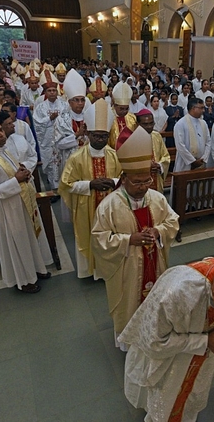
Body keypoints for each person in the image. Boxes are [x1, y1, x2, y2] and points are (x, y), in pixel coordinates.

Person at [118, 257, 214, 422]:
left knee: (192, 395)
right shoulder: (176, 294)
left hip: (201, 356)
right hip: (172, 357)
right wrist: (205, 341)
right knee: (166, 398)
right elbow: (155, 342)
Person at [92, 125, 179, 349]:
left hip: (154, 262)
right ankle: (128, 343)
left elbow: (173, 221)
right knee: (130, 302)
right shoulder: (109, 205)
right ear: (124, 179)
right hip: (127, 268)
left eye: (146, 181)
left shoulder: (157, 198)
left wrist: (158, 231)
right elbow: (99, 238)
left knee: (155, 300)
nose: (142, 187)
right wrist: (128, 240)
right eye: (137, 182)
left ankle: (154, 334)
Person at [0, 119, 51, 294]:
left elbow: (17, 171)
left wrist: (24, 174)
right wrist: (16, 180)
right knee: (17, 244)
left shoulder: (5, 150)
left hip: (21, 202)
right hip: (7, 210)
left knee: (29, 239)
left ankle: (36, 270)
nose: (1, 134)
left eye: (0, 130)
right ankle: (24, 281)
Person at [58, 99, 122, 279]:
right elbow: (66, 184)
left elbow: (124, 177)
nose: (100, 140)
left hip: (111, 206)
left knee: (111, 235)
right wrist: (90, 184)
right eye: (96, 135)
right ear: (89, 134)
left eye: (104, 136)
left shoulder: (114, 155)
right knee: (90, 237)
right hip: (87, 207)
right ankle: (90, 272)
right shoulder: (76, 158)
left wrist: (112, 181)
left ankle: (108, 269)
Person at [33, 77, 66, 191]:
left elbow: (68, 121)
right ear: (45, 93)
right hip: (48, 141)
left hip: (61, 140)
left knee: (62, 163)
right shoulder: (41, 107)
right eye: (49, 91)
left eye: (54, 90)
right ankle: (54, 188)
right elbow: (37, 123)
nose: (52, 93)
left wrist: (59, 121)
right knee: (51, 165)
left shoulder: (63, 105)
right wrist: (49, 119)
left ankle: (63, 185)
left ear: (57, 92)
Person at [55, 69, 90, 177]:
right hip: (69, 161)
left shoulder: (89, 116)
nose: (80, 103)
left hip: (88, 159)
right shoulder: (62, 119)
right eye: (76, 100)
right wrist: (77, 135)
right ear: (70, 102)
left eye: (82, 100)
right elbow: (59, 144)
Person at [135, 109, 171, 193]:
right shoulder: (131, 140)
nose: (149, 127)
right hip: (140, 182)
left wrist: (159, 166)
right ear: (137, 124)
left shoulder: (157, 136)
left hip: (156, 180)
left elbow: (166, 156)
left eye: (151, 123)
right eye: (145, 124)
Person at [173, 98, 211, 172]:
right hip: (185, 163)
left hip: (201, 162)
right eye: (201, 108)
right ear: (193, 108)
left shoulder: (203, 123)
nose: (203, 110)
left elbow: (208, 142)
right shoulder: (181, 124)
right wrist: (192, 161)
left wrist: (204, 158)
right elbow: (180, 145)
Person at [108, 82, 137, 148]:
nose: (124, 111)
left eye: (127, 108)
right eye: (121, 109)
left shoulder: (132, 118)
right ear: (115, 106)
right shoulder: (108, 117)